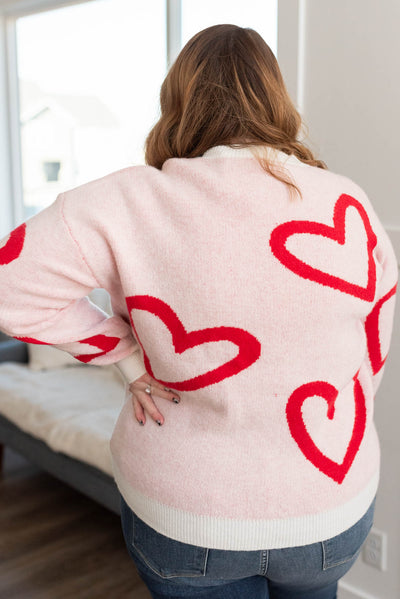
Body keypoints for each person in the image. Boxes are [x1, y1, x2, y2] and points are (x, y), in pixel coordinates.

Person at [0, 23, 397, 599]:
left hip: (189, 517)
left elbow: (12, 283)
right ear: (275, 98)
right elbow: (372, 339)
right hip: (328, 509)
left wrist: (130, 359)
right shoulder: (346, 199)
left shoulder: (129, 199)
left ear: (178, 101)